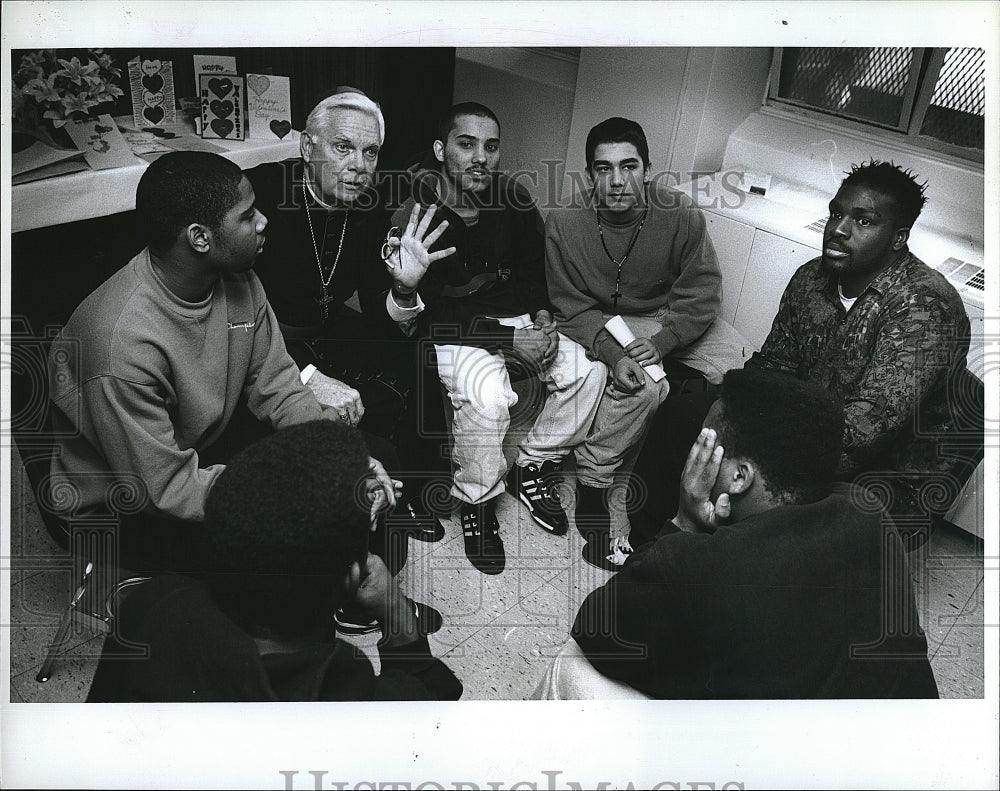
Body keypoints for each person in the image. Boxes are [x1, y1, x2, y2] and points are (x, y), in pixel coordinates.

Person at [46, 151, 403, 577]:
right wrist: (298, 489)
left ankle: (353, 590)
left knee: (371, 457)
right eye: (247, 215)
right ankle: (331, 601)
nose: (264, 221)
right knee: (301, 526)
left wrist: (345, 458)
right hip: (124, 505)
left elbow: (279, 387)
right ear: (200, 237)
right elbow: (165, 488)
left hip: (201, 445)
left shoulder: (238, 278)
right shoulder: (120, 345)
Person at [630, 160, 973, 548]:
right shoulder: (811, 279)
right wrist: (731, 420)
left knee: (762, 492)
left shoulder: (925, 307)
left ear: (898, 238)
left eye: (863, 221)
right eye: (836, 213)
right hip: (810, 426)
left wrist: (756, 456)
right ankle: (649, 549)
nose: (839, 230)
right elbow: (771, 369)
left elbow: (864, 434)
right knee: (682, 417)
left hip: (887, 471)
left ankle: (719, 571)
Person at [557, 368, 938, 699]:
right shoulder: (866, 509)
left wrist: (684, 526)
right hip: (908, 749)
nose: (693, 456)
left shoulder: (697, 566)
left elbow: (595, 626)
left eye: (704, 445)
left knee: (573, 669)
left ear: (739, 477)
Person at [87, 422, 463, 702]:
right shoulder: (340, 689)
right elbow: (435, 699)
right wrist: (395, 613)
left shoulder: (148, 603)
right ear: (352, 575)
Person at [387, 102, 607, 575]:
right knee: (488, 398)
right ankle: (479, 502)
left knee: (589, 371)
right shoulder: (416, 210)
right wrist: (508, 345)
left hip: (518, 319)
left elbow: (532, 272)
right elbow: (430, 315)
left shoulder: (513, 198)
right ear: (441, 149)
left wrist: (544, 314)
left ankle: (533, 462)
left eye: (490, 146)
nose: (480, 157)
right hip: (456, 333)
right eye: (466, 145)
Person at [246, 88, 456, 541]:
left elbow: (380, 312)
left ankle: (416, 491)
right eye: (343, 148)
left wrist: (403, 288)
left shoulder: (367, 204)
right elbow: (229, 314)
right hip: (260, 346)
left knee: (416, 349)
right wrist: (304, 375)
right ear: (307, 147)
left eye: (370, 152)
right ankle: (362, 472)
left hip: (324, 329)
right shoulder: (259, 195)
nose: (359, 166)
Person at [544, 116, 728, 570]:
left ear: (647, 168)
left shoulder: (680, 213)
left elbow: (703, 292)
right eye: (603, 169)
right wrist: (611, 350)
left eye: (629, 166)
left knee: (735, 369)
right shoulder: (565, 223)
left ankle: (688, 473)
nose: (617, 181)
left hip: (664, 314)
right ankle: (594, 479)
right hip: (602, 316)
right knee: (643, 385)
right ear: (590, 175)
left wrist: (665, 341)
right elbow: (569, 305)